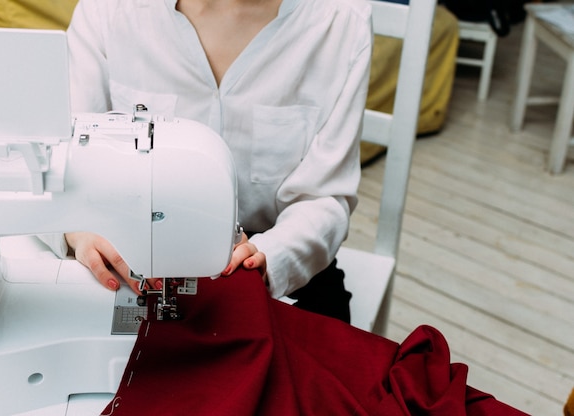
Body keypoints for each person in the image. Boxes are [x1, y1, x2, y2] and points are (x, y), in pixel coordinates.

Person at [57, 0, 373, 323]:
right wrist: (75, 228)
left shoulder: (342, 22)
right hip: (129, 249)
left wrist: (272, 256)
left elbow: (324, 197)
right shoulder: (108, 10)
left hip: (272, 251)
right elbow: (58, 154)